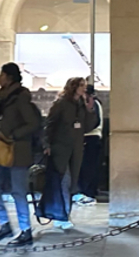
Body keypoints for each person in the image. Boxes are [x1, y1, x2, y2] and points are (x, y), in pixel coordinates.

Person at [0, 62, 40, 247]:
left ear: (9, 77)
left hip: (18, 151)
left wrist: (13, 135)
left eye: (1, 74)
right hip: (1, 149)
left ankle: (25, 230)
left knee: (18, 191)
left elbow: (32, 123)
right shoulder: (4, 98)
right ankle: (4, 224)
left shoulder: (20, 98)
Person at [43, 77, 98, 231]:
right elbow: (50, 124)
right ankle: (62, 214)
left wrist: (89, 109)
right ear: (73, 87)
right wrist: (47, 144)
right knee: (63, 182)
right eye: (81, 85)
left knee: (71, 183)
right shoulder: (61, 103)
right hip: (60, 148)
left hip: (76, 148)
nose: (84, 88)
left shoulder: (81, 105)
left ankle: (63, 214)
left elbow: (88, 126)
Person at [75, 84, 104, 206]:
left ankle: (87, 193)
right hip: (92, 137)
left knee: (88, 168)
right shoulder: (95, 103)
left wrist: (78, 129)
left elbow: (92, 123)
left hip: (90, 137)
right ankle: (87, 192)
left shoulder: (92, 105)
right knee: (88, 167)